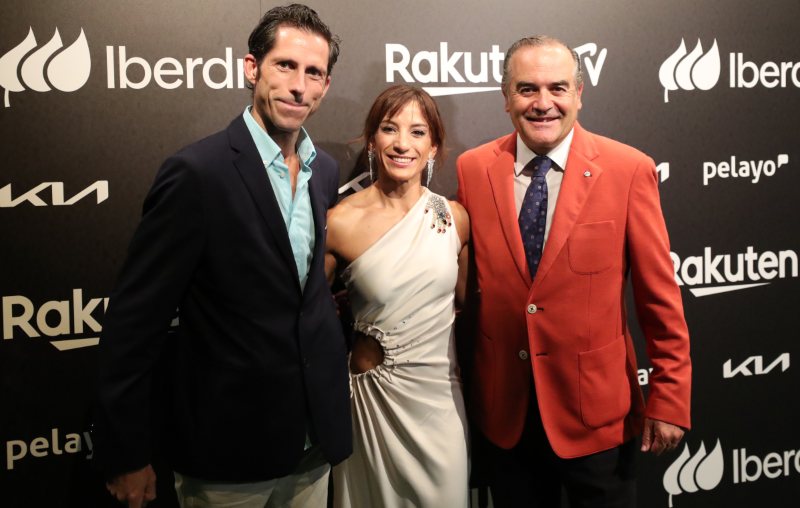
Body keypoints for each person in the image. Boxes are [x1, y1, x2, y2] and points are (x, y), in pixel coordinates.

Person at [93, 5, 351, 508]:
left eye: (313, 73)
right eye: (285, 66)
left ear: (324, 86)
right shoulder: (197, 173)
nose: (299, 86)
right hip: (227, 448)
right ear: (252, 68)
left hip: (312, 443)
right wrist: (125, 451)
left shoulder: (325, 172)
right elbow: (133, 322)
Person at [456, 36, 691, 507]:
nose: (543, 104)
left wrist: (670, 396)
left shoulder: (628, 169)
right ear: (505, 98)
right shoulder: (473, 168)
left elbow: (658, 296)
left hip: (599, 417)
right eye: (527, 89)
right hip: (507, 416)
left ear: (580, 94)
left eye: (558, 88)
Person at [326, 85, 471, 508]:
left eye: (418, 132)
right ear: (372, 140)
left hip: (439, 402)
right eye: (390, 129)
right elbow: (304, 312)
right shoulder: (341, 222)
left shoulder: (455, 218)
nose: (402, 143)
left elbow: (470, 306)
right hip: (372, 406)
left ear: (434, 145)